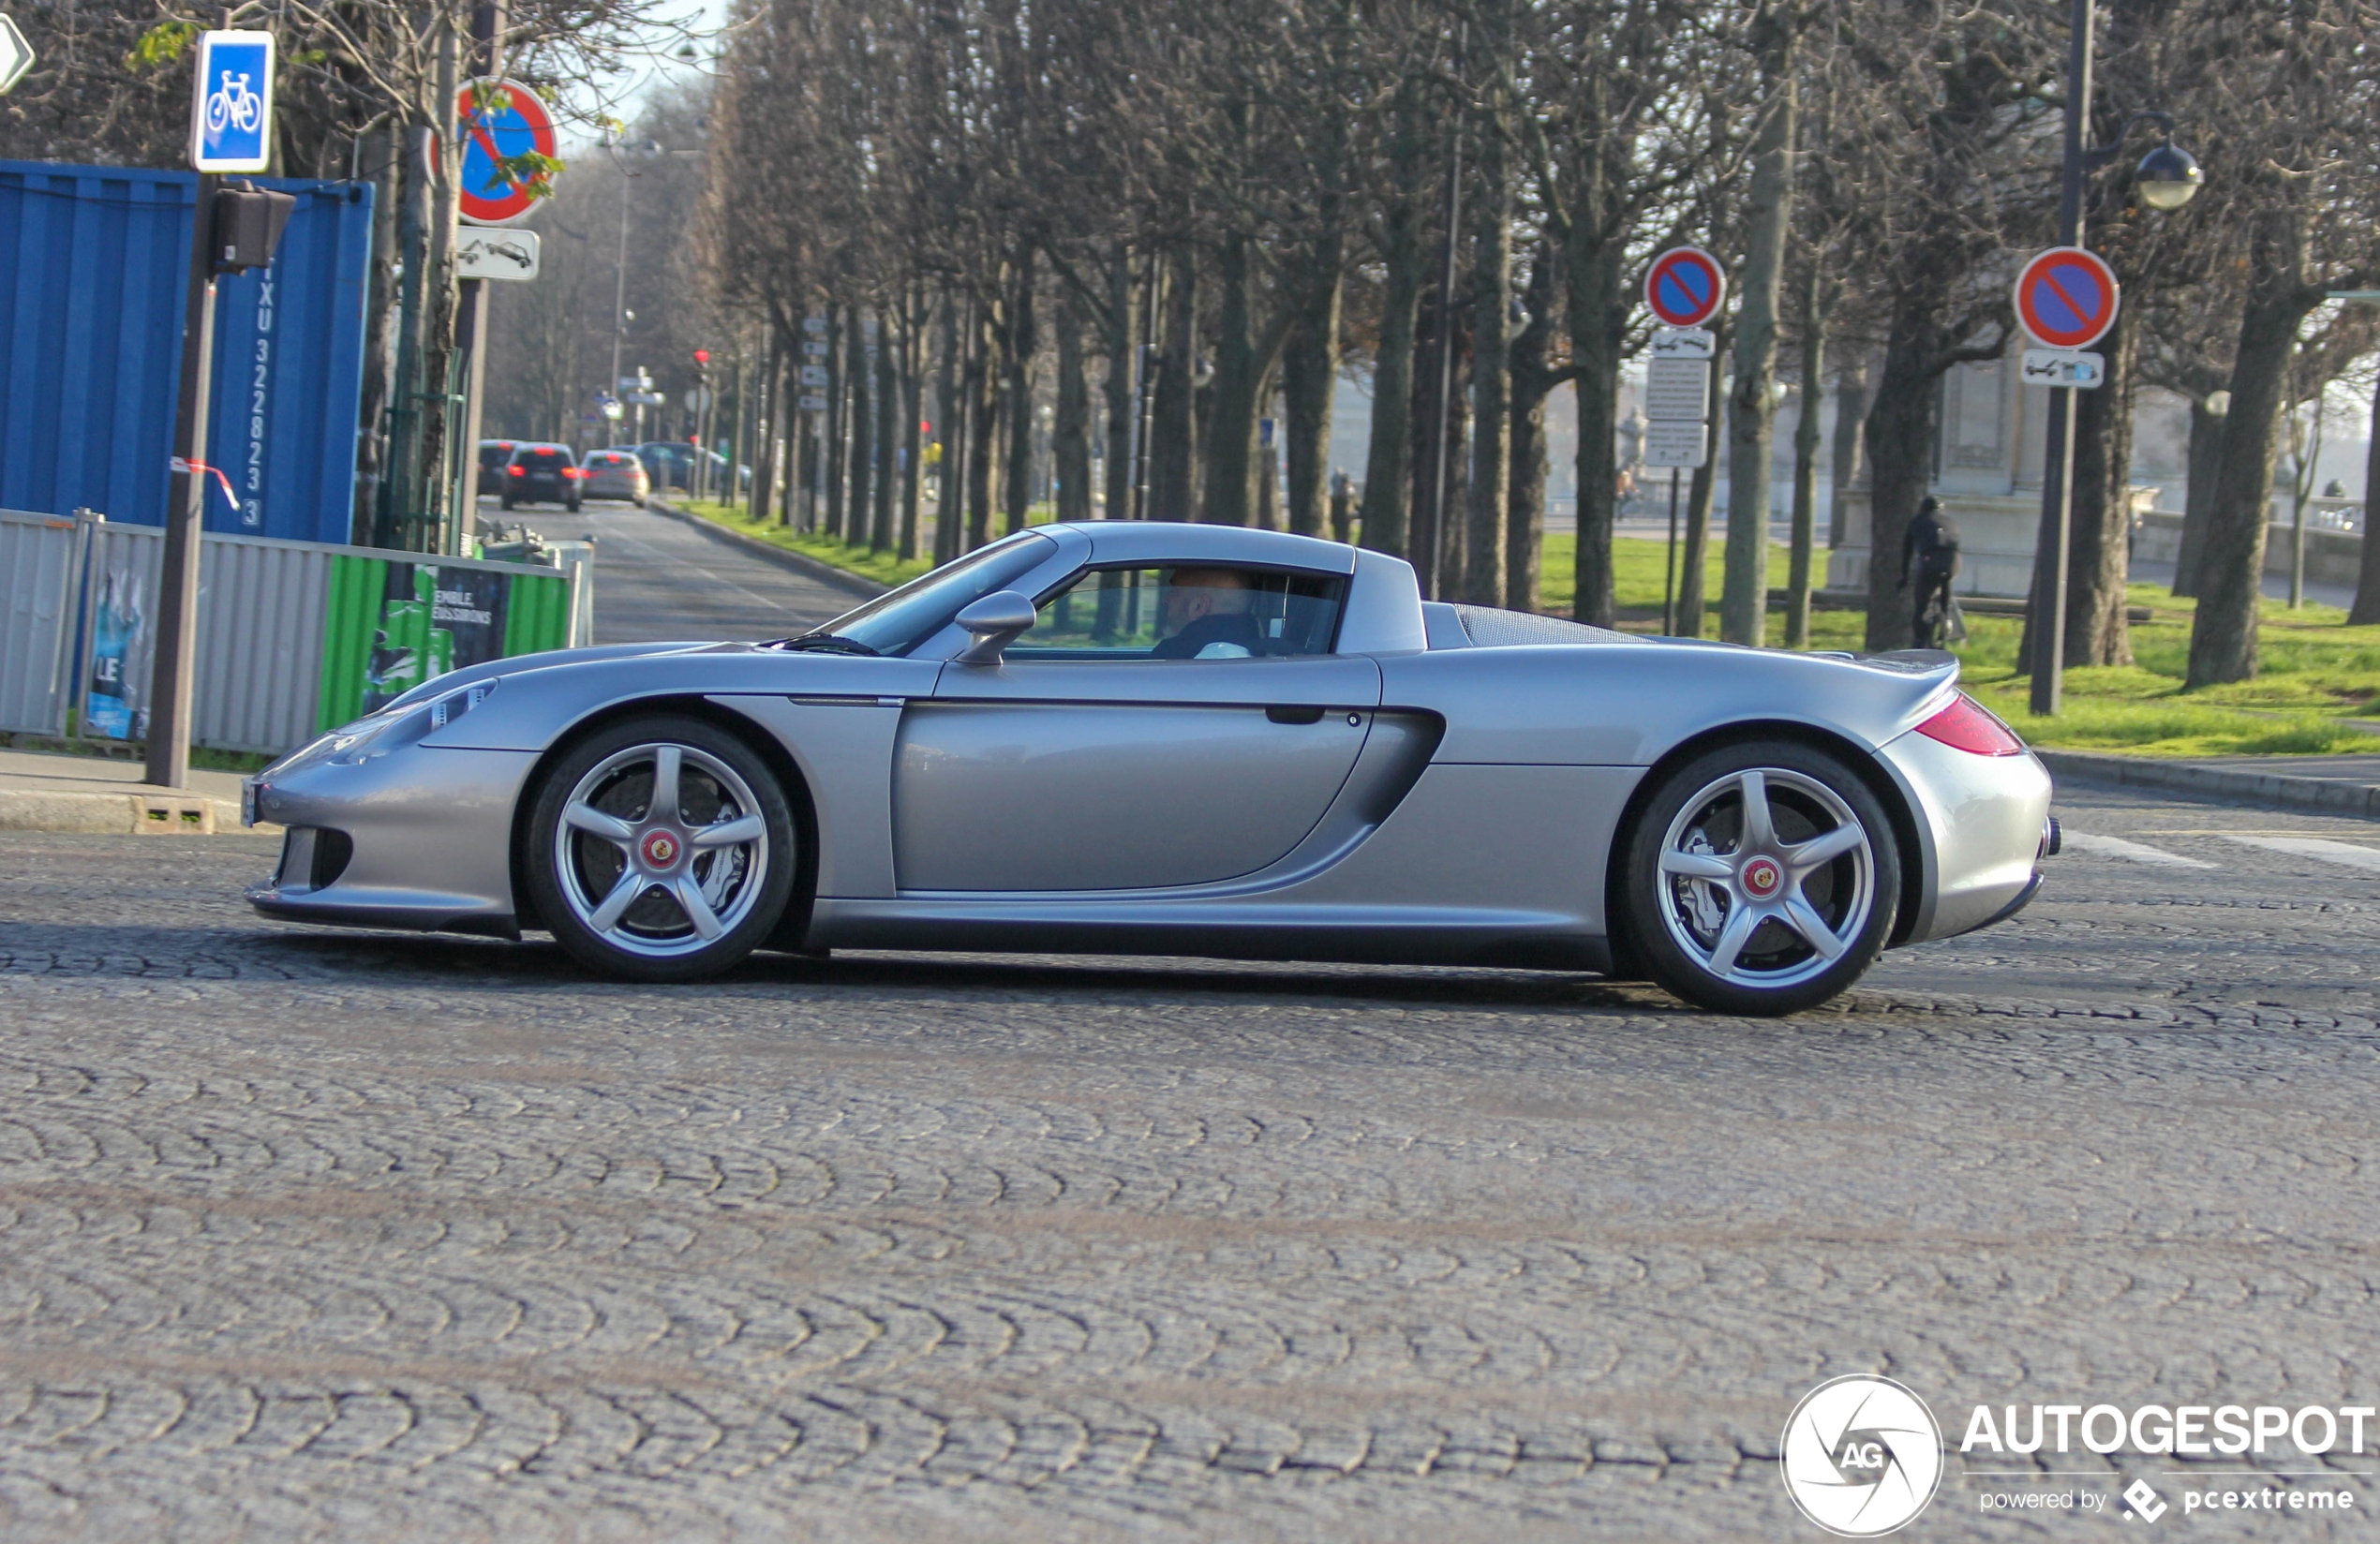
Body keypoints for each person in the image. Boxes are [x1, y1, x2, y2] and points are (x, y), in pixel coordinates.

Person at [1150, 567, 1263, 659]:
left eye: (1174, 591)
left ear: (1199, 606)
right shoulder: (1258, 655)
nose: (1165, 600)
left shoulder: (1173, 659)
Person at [1903, 496, 1961, 648]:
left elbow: (1907, 552)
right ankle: (1945, 618)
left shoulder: (1917, 521)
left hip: (1930, 560)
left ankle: (1919, 642)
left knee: (1921, 604)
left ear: (1922, 509)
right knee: (1945, 581)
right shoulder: (1950, 521)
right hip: (1953, 561)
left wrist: (1904, 577)